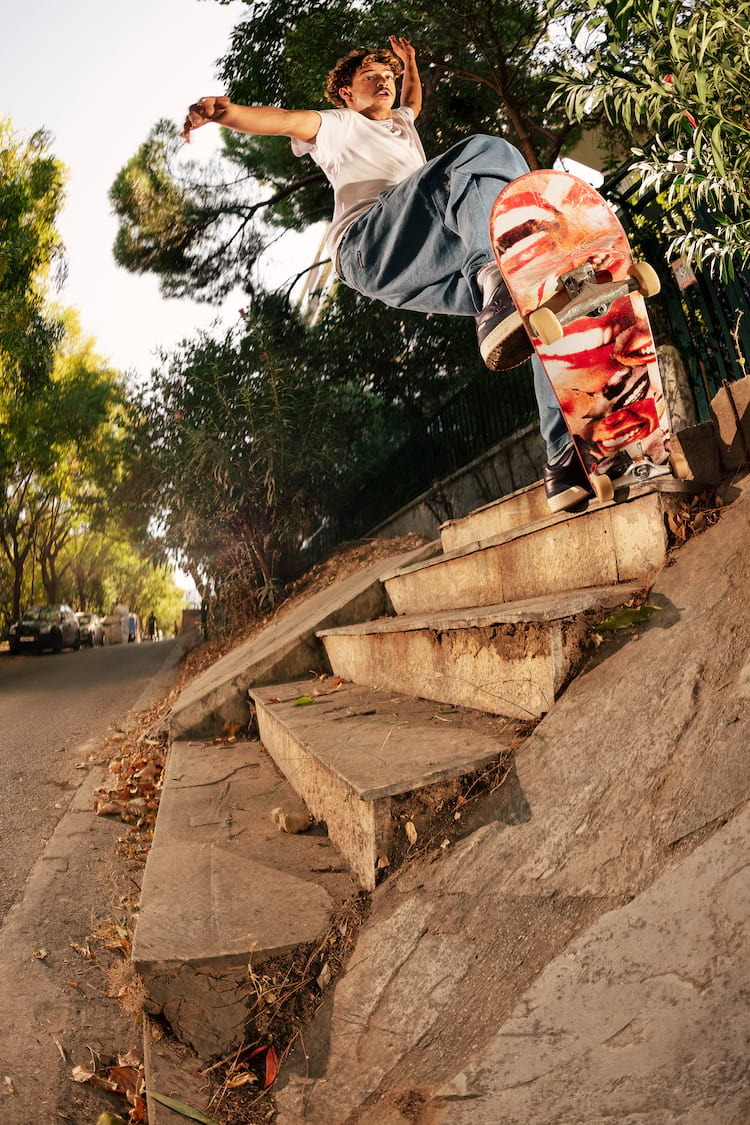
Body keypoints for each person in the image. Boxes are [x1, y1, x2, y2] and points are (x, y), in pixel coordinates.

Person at [182, 36, 591, 512]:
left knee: (537, 295)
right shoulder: (335, 124)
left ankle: (568, 453)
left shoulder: (401, 122)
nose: (383, 82)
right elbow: (282, 121)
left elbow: (413, 98)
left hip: (421, 262)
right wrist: (224, 113)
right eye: (369, 78)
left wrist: (411, 63)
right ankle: (494, 276)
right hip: (367, 245)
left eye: (388, 77)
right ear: (346, 94)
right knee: (485, 151)